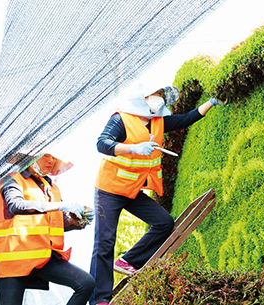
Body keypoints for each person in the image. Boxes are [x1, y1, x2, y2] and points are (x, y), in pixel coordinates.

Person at [89, 85, 224, 305]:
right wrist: (133, 148)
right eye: (156, 96)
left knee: (164, 222)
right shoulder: (121, 120)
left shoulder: (158, 123)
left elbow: (185, 119)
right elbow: (102, 144)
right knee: (104, 243)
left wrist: (211, 102)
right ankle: (99, 300)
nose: (159, 100)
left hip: (132, 190)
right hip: (109, 189)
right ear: (142, 98)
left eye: (161, 98)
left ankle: (128, 261)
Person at [0, 153, 95, 305]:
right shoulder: (12, 180)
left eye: (54, 158)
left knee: (86, 283)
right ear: (29, 157)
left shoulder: (52, 188)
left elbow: (57, 221)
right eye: (46, 156)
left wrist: (76, 221)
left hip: (43, 256)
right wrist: (60, 206)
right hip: (13, 259)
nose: (51, 161)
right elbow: (16, 206)